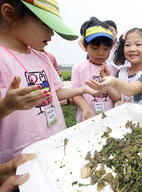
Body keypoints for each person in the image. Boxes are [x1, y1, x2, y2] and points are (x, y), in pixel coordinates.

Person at [0, 0, 101, 165]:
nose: (52, 33)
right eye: (46, 24)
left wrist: (84, 89)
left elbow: (56, 92)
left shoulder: (42, 57)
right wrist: (7, 105)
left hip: (57, 144)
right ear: (10, 14)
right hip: (20, 159)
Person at [85, 28, 142, 108]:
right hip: (125, 117)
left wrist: (113, 81)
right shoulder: (121, 71)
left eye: (138, 44)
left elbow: (133, 89)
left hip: (141, 118)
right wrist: (106, 78)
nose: (132, 49)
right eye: (127, 45)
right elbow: (117, 96)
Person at [71, 18, 119, 123]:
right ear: (85, 46)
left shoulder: (114, 69)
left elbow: (116, 97)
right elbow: (75, 93)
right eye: (95, 48)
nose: (100, 53)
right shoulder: (79, 67)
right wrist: (86, 108)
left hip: (109, 120)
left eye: (105, 49)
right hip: (87, 119)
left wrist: (106, 79)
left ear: (111, 47)